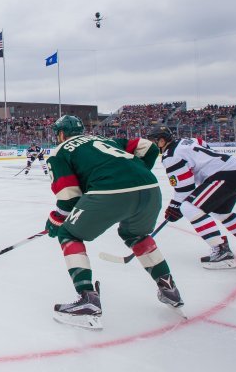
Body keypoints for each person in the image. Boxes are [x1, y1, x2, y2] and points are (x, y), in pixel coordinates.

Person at [45, 115, 183, 330]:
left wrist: (55, 220)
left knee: (68, 234)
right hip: (150, 189)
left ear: (61, 134)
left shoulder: (60, 151)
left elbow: (68, 197)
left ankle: (87, 299)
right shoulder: (105, 140)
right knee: (136, 235)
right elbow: (149, 147)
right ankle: (168, 288)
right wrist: (137, 171)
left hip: (110, 192)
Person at [148, 126, 236, 269]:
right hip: (234, 168)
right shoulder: (186, 141)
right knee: (221, 213)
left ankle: (222, 252)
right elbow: (203, 143)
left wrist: (174, 208)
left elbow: (185, 189)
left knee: (189, 207)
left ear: (162, 141)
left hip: (224, 175)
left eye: (154, 141)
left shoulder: (171, 156)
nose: (152, 144)